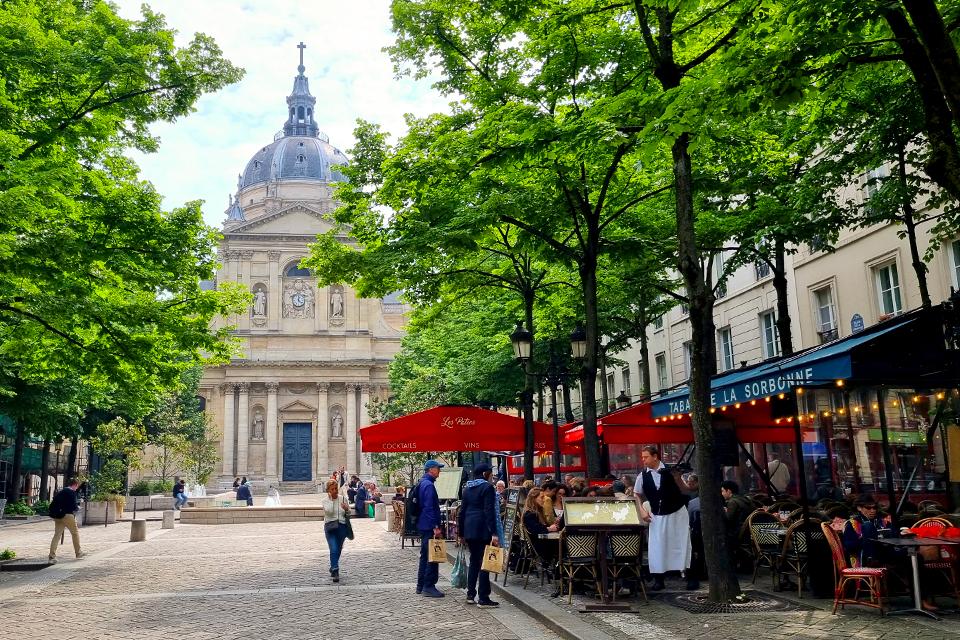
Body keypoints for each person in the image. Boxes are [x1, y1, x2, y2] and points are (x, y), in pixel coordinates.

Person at [634, 445, 691, 591]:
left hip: (677, 511)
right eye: (642, 457)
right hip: (657, 514)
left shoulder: (671, 471)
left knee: (682, 543)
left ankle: (690, 577)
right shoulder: (642, 475)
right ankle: (659, 580)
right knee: (657, 547)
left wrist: (678, 478)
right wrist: (641, 510)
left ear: (655, 456)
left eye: (646, 457)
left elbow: (686, 490)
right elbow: (636, 494)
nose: (643, 460)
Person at [457, 463, 502, 607]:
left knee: (474, 562)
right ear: (485, 474)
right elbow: (489, 511)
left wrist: (461, 532)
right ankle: (483, 597)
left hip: (470, 529)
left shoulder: (468, 488)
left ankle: (470, 594)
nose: (492, 477)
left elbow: (462, 512)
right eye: (490, 473)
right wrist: (494, 532)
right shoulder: (487, 487)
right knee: (484, 563)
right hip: (483, 529)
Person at [521, 488, 560, 596]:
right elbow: (536, 530)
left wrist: (550, 527)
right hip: (540, 547)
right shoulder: (530, 514)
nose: (544, 499)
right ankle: (561, 575)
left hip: (543, 543)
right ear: (533, 498)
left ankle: (562, 574)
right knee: (564, 548)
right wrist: (549, 529)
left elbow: (541, 527)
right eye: (541, 497)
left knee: (563, 546)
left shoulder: (537, 511)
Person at [415, 459, 445, 598]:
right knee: (431, 556)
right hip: (428, 526)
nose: (439, 471)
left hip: (424, 524)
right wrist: (435, 527)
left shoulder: (423, 483)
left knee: (425, 556)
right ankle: (428, 585)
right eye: (438, 468)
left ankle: (421, 585)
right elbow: (429, 508)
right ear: (431, 469)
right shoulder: (428, 485)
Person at [49, 478, 84, 563]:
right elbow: (73, 506)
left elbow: (54, 503)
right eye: (77, 486)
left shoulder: (61, 492)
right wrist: (77, 507)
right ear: (75, 485)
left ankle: (51, 556)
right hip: (67, 515)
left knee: (57, 535)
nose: (77, 488)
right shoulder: (71, 492)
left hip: (57, 516)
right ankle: (78, 552)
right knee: (75, 533)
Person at [321, 479, 350, 582]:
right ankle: (335, 570)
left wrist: (347, 509)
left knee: (339, 549)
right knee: (333, 548)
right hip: (330, 527)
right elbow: (329, 512)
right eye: (332, 489)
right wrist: (331, 500)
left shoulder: (343, 499)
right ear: (328, 490)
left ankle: (333, 565)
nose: (335, 491)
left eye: (335, 488)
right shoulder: (325, 501)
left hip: (342, 526)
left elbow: (348, 513)